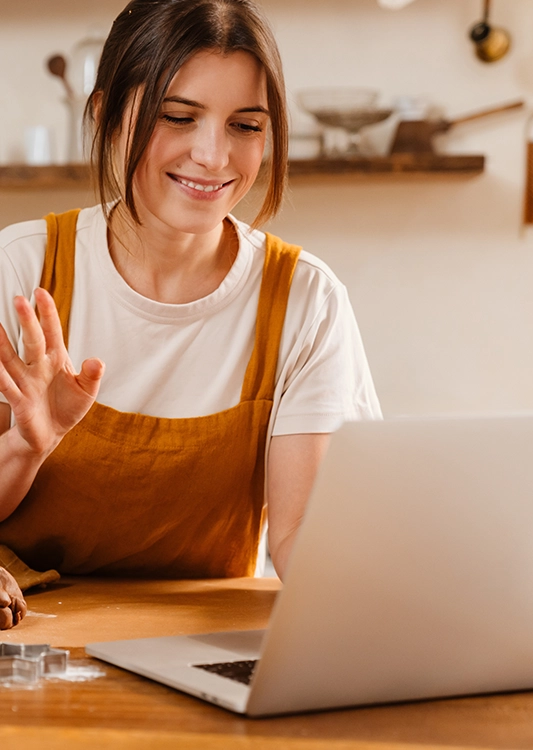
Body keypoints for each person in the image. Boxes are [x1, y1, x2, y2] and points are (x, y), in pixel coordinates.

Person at [0, 0, 381, 630]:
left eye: (246, 126)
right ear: (105, 117)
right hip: (29, 648)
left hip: (201, 648)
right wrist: (25, 446)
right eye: (179, 117)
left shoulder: (304, 301)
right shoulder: (21, 268)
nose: (214, 156)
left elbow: (302, 539)